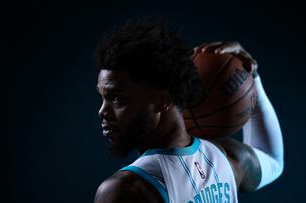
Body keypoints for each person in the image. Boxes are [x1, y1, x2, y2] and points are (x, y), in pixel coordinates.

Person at [93, 20, 284, 203]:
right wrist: (253, 78)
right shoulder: (223, 157)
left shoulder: (128, 191)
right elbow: (273, 160)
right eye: (103, 97)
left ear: (162, 101)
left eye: (117, 98)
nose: (102, 112)